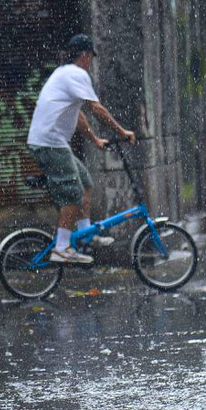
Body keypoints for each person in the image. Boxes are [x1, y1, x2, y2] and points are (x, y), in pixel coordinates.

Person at [26, 34, 136, 264]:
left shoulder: (63, 73)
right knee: (72, 193)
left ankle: (85, 236)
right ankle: (62, 248)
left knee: (85, 182)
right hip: (50, 143)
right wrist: (121, 131)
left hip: (50, 142)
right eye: (90, 58)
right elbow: (95, 108)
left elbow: (79, 115)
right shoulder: (76, 74)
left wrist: (95, 139)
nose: (90, 62)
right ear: (85, 55)